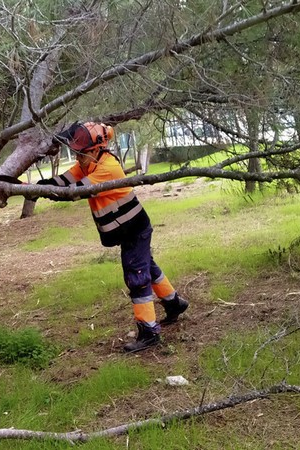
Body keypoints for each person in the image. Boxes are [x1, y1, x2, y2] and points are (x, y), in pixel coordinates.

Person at [38, 121, 189, 352]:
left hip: (135, 230)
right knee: (148, 268)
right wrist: (34, 187)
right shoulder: (89, 163)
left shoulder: (107, 168)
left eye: (82, 153)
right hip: (129, 230)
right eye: (77, 153)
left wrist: (41, 191)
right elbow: (63, 181)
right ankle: (174, 303)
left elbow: (74, 191)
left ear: (97, 149)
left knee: (137, 276)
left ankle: (149, 332)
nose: (78, 158)